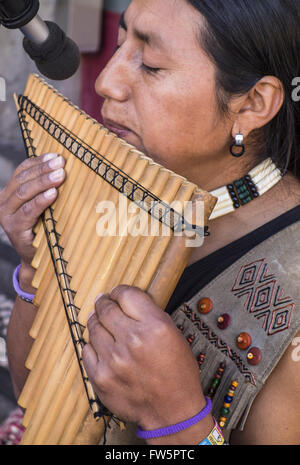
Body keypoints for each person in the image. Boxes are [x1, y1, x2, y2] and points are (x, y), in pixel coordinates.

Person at [1, 0, 300, 445]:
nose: (105, 82)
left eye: (152, 65)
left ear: (253, 103)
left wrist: (177, 419)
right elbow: (36, 399)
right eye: (120, 44)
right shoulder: (120, 199)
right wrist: (35, 268)